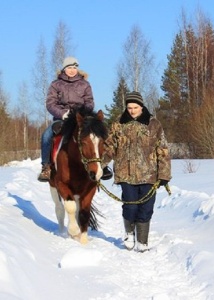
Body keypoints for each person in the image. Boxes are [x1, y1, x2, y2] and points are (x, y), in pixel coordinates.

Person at [102, 91, 171, 252]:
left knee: (146, 208)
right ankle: (128, 233)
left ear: (141, 106)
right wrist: (101, 165)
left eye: (135, 107)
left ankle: (142, 240)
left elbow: (163, 150)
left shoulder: (153, 124)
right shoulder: (118, 124)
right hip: (125, 173)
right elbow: (109, 147)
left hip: (149, 175)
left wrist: (164, 175)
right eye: (129, 107)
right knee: (130, 206)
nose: (132, 110)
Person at [38, 56, 94, 182]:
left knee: (98, 132)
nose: (72, 70)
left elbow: (89, 102)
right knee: (46, 135)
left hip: (80, 118)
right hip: (62, 119)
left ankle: (103, 164)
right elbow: (50, 103)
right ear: (64, 69)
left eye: (74, 67)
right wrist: (63, 113)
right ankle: (46, 166)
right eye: (69, 67)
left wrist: (81, 113)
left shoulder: (85, 84)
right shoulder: (55, 84)